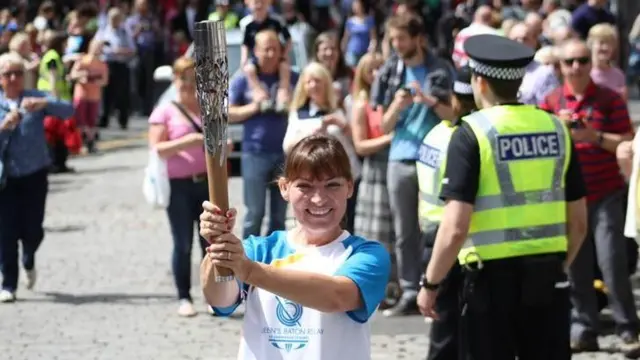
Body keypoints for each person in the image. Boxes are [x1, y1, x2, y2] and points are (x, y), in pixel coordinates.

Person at [417, 34, 588, 359]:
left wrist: (431, 283)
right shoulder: (556, 129)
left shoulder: (471, 133)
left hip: (488, 286)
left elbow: (454, 227)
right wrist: (557, 267)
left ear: (479, 82)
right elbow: (578, 223)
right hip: (547, 279)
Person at [199, 134, 390, 359]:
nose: (319, 199)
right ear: (284, 188)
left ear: (349, 187)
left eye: (332, 185)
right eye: (305, 186)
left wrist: (250, 271)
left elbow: (337, 296)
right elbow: (220, 299)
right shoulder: (260, 250)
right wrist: (218, 244)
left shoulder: (367, 255)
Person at [0, 52, 74, 302]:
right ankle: (8, 283)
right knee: (6, 232)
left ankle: (29, 257)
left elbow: (68, 110)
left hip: (34, 174)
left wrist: (45, 105)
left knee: (33, 229)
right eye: (7, 74)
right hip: (5, 179)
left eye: (18, 73)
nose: (13, 78)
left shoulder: (35, 99)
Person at [416, 66, 477, 360]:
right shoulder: (467, 142)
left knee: (443, 332)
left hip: (432, 236)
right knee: (462, 332)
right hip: (456, 239)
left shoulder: (435, 134)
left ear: (454, 99)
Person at [148, 57, 209, 317]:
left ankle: (213, 295)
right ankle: (184, 296)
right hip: (179, 187)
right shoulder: (165, 110)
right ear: (175, 80)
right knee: (183, 243)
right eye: (184, 79)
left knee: (210, 243)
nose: (188, 85)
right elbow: (158, 148)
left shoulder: (207, 108)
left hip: (206, 182)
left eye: (194, 80)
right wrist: (189, 141)